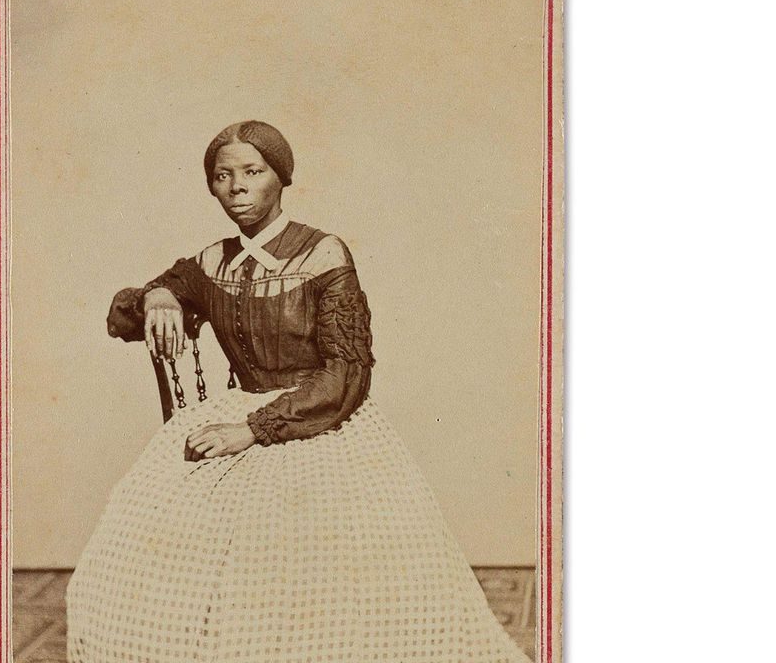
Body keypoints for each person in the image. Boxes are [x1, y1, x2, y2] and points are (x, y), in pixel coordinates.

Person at [66, 121, 532, 663]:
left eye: (252, 172)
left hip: (319, 422)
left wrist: (251, 429)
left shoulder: (323, 253)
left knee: (311, 577)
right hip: (235, 416)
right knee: (125, 559)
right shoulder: (211, 262)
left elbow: (347, 373)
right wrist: (160, 297)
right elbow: (125, 318)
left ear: (281, 178)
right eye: (223, 176)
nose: (238, 187)